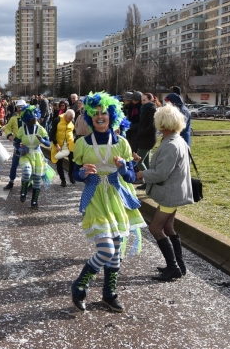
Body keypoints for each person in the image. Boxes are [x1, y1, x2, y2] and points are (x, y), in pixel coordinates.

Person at [70, 92, 145, 313]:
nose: (100, 117)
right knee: (106, 250)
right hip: (95, 197)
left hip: (117, 197)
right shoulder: (82, 144)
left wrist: (123, 168)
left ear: (112, 116)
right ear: (91, 117)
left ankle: (109, 294)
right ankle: (79, 285)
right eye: (96, 113)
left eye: (104, 113)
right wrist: (83, 172)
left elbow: (131, 177)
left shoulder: (122, 142)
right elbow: (75, 173)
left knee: (116, 253)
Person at [136, 104, 193, 281]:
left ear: (162, 123)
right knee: (168, 227)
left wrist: (141, 174)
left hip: (170, 195)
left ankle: (173, 267)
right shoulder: (178, 140)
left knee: (155, 228)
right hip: (175, 192)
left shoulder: (171, 145)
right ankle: (178, 265)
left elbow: (161, 173)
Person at [14, 105, 53, 208]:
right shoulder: (22, 129)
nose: (35, 119)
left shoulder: (40, 129)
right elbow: (16, 143)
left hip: (37, 155)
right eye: (32, 118)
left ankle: (34, 201)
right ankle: (23, 192)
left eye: (36, 117)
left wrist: (42, 140)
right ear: (26, 119)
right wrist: (21, 149)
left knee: (37, 180)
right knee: (26, 172)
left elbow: (49, 144)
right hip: (26, 155)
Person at [3, 99, 27, 190]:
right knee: (14, 164)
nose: (20, 109)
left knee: (29, 165)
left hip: (28, 144)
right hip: (18, 144)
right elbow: (7, 128)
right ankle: (11, 181)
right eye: (18, 107)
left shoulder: (29, 117)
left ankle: (29, 182)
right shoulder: (13, 118)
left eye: (22, 107)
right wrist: (9, 135)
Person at [135, 93, 158, 184]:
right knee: (146, 161)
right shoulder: (145, 109)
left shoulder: (152, 109)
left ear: (150, 100)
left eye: (144, 100)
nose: (142, 102)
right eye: (141, 100)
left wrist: (140, 132)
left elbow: (152, 126)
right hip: (145, 138)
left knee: (139, 161)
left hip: (148, 138)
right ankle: (150, 182)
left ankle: (149, 182)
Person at [50, 109, 75, 187]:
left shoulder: (72, 121)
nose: (71, 120)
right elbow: (51, 134)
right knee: (59, 162)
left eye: (72, 119)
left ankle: (70, 174)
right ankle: (63, 180)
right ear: (65, 116)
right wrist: (56, 145)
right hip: (59, 145)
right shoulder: (57, 120)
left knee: (73, 160)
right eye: (70, 119)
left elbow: (73, 131)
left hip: (69, 144)